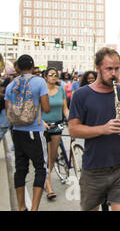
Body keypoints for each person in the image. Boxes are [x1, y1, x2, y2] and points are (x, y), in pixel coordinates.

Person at [68, 47, 120, 211]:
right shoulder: (81, 95)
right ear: (98, 68)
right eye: (109, 69)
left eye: (117, 68)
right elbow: (73, 130)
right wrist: (103, 129)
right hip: (93, 169)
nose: (114, 73)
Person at [4, 54, 51, 211]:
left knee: (20, 168)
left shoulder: (12, 85)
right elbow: (46, 108)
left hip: (17, 131)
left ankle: (21, 206)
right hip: (34, 131)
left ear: (17, 67)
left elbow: (8, 110)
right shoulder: (39, 82)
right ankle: (34, 208)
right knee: (40, 168)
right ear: (32, 66)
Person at [42, 67, 69, 201]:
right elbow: (35, 109)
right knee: (46, 158)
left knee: (52, 157)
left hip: (57, 126)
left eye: (55, 75)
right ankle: (48, 186)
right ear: (46, 76)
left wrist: (71, 119)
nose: (53, 77)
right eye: (51, 75)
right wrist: (40, 121)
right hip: (44, 127)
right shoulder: (41, 91)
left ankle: (47, 178)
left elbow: (65, 109)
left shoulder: (61, 90)